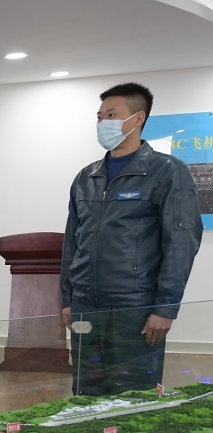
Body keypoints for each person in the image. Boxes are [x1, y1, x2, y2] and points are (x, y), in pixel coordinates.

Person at [61, 83, 202, 396]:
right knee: (86, 390)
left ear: (138, 119)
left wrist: (165, 309)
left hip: (135, 306)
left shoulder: (167, 172)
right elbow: (72, 242)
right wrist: (68, 299)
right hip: (86, 304)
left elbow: (181, 244)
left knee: (132, 392)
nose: (102, 123)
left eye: (111, 115)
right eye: (99, 117)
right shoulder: (86, 177)